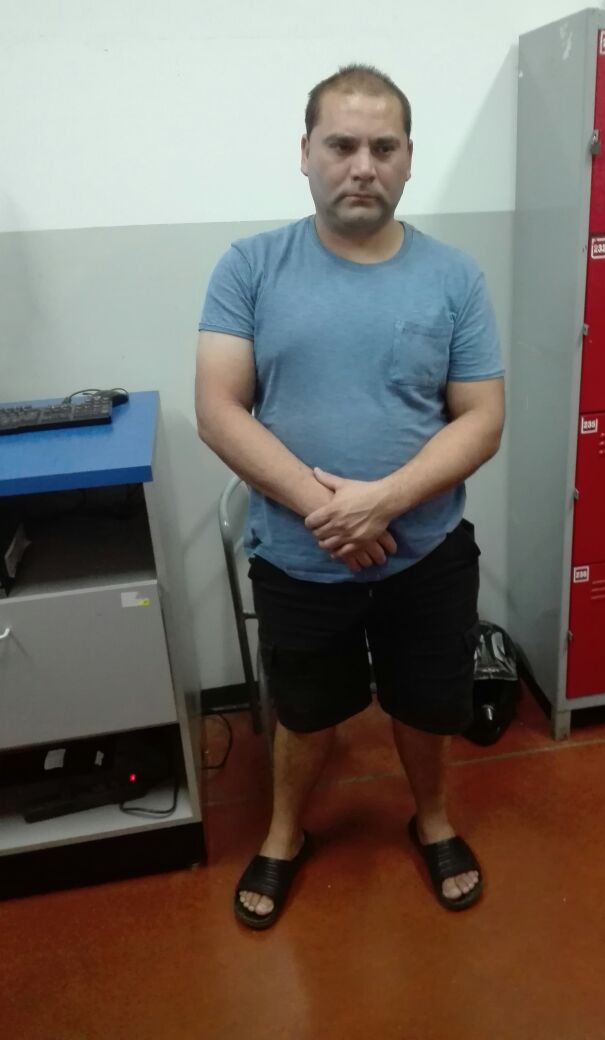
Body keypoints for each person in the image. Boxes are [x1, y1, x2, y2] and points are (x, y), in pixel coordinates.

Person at [195, 64, 505, 930]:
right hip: (300, 556)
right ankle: (284, 831)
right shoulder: (250, 267)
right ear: (306, 153)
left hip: (426, 553)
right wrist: (330, 513)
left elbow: (482, 419)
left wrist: (385, 502)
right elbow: (218, 409)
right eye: (342, 145)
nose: (363, 165)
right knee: (304, 710)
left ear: (408, 158)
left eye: (383, 147)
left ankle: (432, 819)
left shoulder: (454, 277)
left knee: (428, 701)